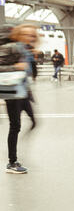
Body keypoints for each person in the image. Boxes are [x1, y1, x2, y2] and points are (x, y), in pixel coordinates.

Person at [0, 25, 32, 174]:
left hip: (15, 88)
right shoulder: (8, 47)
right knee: (15, 125)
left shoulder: (10, 46)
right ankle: (12, 162)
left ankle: (13, 161)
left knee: (16, 125)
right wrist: (16, 67)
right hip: (11, 88)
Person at [13, 24, 38, 130]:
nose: (29, 38)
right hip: (14, 89)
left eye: (32, 36)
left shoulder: (26, 50)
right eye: (26, 34)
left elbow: (29, 71)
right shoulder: (14, 48)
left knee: (32, 122)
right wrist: (14, 67)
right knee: (15, 126)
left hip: (23, 90)